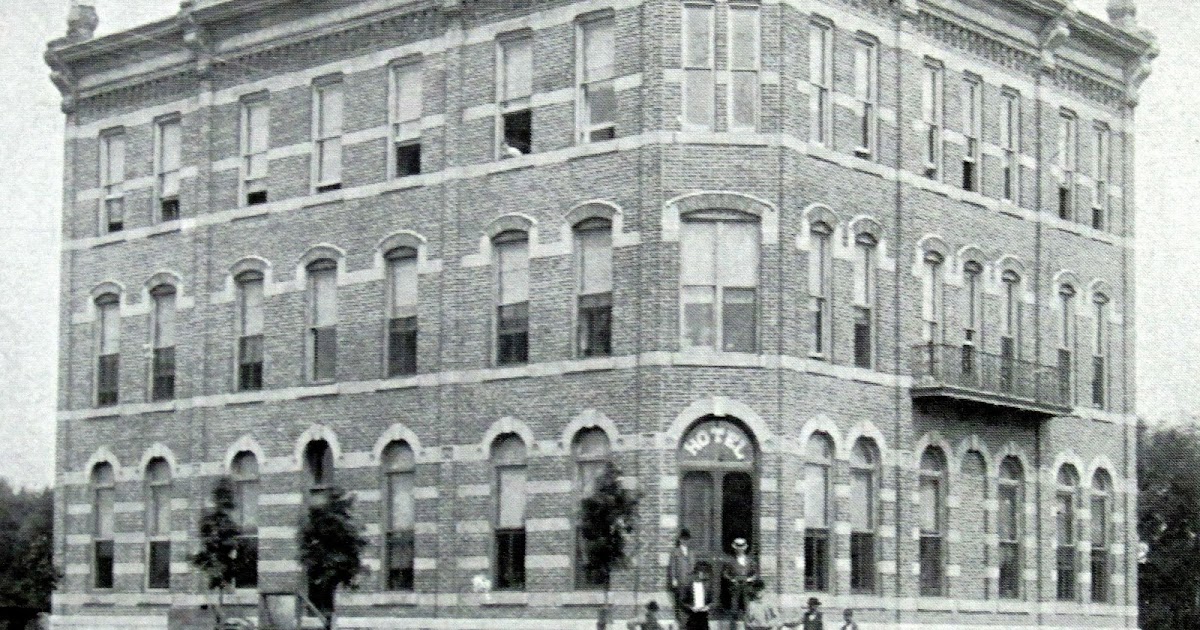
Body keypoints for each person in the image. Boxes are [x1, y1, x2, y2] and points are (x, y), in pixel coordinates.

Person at [722, 538, 761, 629]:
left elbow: (755, 573)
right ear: (735, 548)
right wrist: (732, 579)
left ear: (745, 548)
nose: (740, 549)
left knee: (747, 609)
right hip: (735, 587)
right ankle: (733, 627)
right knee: (734, 609)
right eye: (738, 547)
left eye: (742, 547)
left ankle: (748, 627)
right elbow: (725, 573)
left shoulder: (750, 561)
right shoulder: (730, 561)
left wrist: (750, 578)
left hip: (747, 587)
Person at [667, 529, 695, 624]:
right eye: (683, 539)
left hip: (689, 580)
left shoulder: (691, 552)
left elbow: (693, 566)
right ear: (680, 540)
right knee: (680, 600)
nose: (685, 541)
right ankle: (680, 620)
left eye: (687, 539)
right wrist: (674, 579)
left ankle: (688, 619)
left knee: (689, 600)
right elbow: (672, 567)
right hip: (680, 580)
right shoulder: (675, 552)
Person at [685, 561, 714, 630]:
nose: (703, 575)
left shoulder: (707, 585)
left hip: (704, 615)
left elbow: (712, 600)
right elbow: (683, 600)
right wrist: (691, 607)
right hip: (691, 615)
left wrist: (708, 607)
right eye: (700, 573)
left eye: (705, 573)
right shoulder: (689, 585)